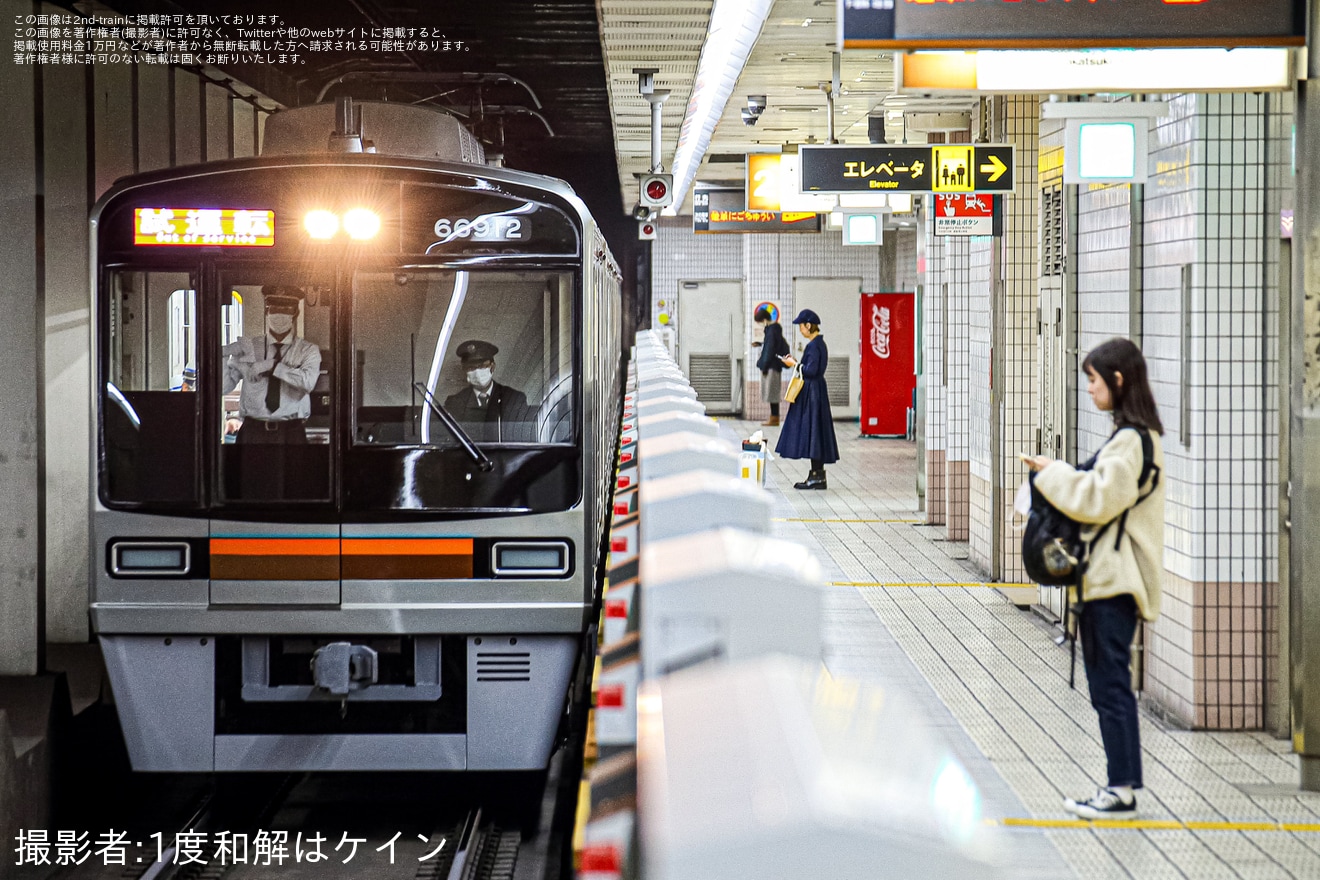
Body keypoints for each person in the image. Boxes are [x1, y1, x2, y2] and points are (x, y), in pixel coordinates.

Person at [1024, 337, 1166, 821]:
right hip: (1105, 580)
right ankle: (1118, 784)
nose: (1088, 388)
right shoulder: (1133, 436)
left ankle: (1120, 789)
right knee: (1109, 686)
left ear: (1119, 380)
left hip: (1113, 582)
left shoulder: (1132, 441)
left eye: (1093, 379)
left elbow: (1099, 499)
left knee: (1110, 689)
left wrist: (1053, 473)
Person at [221, 288, 322, 444]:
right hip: (253, 431)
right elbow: (223, 387)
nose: (279, 314)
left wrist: (274, 366)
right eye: (274, 309)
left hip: (291, 431)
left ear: (295, 314)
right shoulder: (250, 347)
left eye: (285, 309)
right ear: (267, 312)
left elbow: (307, 383)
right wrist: (223, 356)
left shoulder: (307, 350)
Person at [774, 309, 839, 490]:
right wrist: (797, 363)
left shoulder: (815, 345)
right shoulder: (817, 344)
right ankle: (817, 475)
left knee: (814, 432)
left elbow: (811, 371)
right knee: (815, 433)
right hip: (815, 392)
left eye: (801, 326)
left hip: (813, 393)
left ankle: (817, 476)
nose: (801, 330)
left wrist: (793, 364)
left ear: (809, 326)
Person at [443, 339, 533, 442]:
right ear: (465, 370)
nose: (477, 372)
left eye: (482, 366)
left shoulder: (514, 399)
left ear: (492, 367)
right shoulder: (455, 402)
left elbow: (522, 438)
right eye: (471, 368)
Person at [753, 305, 789, 427]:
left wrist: (764, 366)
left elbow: (769, 349)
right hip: (774, 366)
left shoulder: (772, 330)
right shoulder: (774, 330)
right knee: (772, 392)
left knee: (772, 392)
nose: (760, 325)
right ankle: (774, 418)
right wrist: (760, 344)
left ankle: (774, 419)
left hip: (771, 366)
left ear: (764, 320)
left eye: (760, 322)